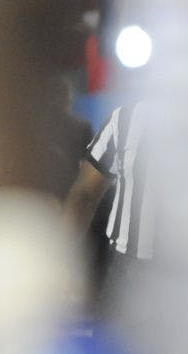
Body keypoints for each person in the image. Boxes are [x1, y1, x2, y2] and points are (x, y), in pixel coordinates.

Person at [63, 101, 149, 316]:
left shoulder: (126, 119)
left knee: (121, 347)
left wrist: (59, 258)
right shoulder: (124, 119)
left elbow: (84, 195)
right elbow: (84, 196)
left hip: (129, 268)